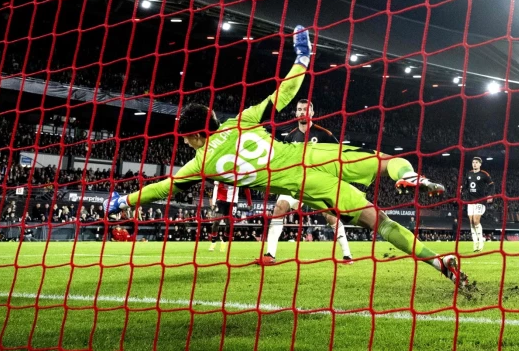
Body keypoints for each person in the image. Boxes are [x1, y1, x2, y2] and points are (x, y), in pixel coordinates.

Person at [105, 25, 470, 291]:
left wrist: (123, 200)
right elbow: (284, 91)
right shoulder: (240, 121)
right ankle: (410, 177)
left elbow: (161, 188)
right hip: (313, 153)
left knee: (381, 223)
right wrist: (302, 59)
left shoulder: (200, 164)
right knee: (387, 161)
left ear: (195, 134)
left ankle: (439, 262)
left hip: (305, 182)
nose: (186, 144)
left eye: (186, 138)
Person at [263, 99, 353, 265]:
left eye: (306, 109)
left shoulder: (324, 135)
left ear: (312, 113)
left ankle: (347, 255)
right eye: (299, 109)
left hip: (317, 184)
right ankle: (269, 254)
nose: (302, 112)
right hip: (295, 183)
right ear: (296, 113)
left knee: (329, 215)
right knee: (279, 208)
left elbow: (341, 156)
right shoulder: (290, 137)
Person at [460, 157, 494, 252]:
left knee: (476, 221)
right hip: (470, 201)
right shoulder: (469, 174)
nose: (474, 164)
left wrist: (490, 195)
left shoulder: (484, 174)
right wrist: (462, 188)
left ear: (480, 164)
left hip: (480, 200)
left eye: (476, 162)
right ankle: (475, 244)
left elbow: (492, 184)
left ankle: (481, 242)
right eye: (473, 162)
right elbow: (467, 185)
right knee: (471, 222)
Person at [208, 181, 239, 252]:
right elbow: (216, 188)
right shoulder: (221, 175)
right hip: (221, 201)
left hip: (233, 201)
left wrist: (249, 202)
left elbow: (247, 188)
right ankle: (213, 242)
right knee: (216, 222)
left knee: (229, 224)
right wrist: (213, 202)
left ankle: (224, 242)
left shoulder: (238, 175)